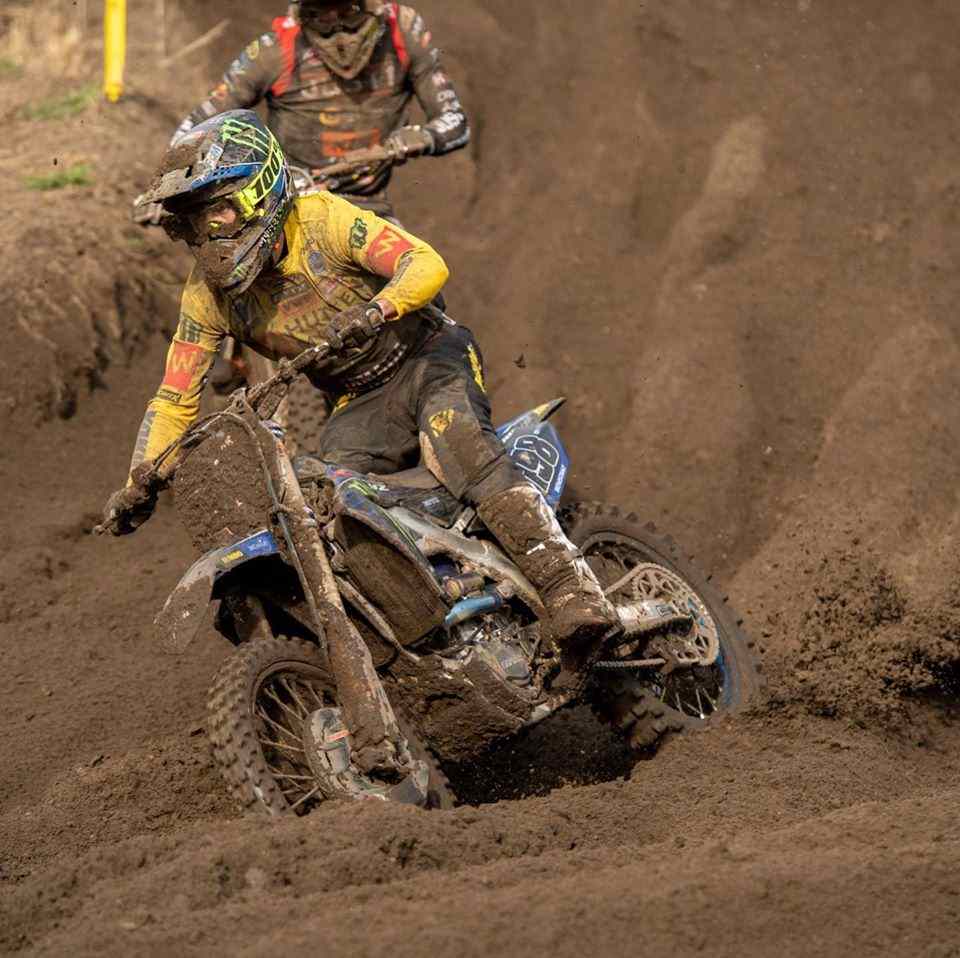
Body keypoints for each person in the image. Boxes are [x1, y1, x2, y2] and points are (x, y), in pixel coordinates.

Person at [102, 110, 615, 683]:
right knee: (332, 505)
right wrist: (140, 479)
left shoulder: (322, 221)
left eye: (219, 211)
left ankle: (570, 588)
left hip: (427, 358)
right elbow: (175, 397)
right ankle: (437, 629)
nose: (211, 235)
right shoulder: (206, 297)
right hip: (359, 399)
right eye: (196, 224)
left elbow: (425, 263)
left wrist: (377, 308)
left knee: (460, 443)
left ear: (260, 188)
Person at [171, 0, 469, 219]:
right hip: (285, 202)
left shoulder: (401, 31)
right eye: (321, 17)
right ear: (302, 15)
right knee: (227, 277)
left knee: (421, 278)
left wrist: (417, 138)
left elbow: (455, 121)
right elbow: (198, 126)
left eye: (349, 12)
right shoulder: (277, 48)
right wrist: (175, 184)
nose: (339, 31)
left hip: (366, 207)